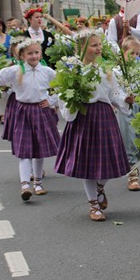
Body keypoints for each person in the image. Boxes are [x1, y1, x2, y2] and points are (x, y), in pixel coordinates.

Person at [55, 30, 131, 221]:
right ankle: (93, 205)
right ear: (81, 48)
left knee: (108, 161)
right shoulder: (72, 70)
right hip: (84, 116)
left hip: (104, 116)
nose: (98, 49)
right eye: (94, 45)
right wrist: (71, 108)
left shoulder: (106, 70)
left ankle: (99, 187)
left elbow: (114, 93)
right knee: (88, 164)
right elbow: (63, 95)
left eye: (99, 45)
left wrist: (125, 99)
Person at [0, 39, 59, 200]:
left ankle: (38, 182)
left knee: (39, 150)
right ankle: (25, 185)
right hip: (23, 112)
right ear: (21, 55)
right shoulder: (15, 71)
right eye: (30, 53)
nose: (34, 56)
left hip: (41, 111)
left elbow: (63, 87)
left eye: (36, 52)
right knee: (25, 151)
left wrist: (51, 100)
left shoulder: (47, 71)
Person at [115, 36, 140, 192]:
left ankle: (134, 164)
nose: (134, 57)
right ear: (123, 52)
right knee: (130, 139)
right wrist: (123, 98)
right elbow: (115, 90)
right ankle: (132, 173)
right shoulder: (117, 71)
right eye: (131, 53)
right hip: (126, 108)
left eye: (137, 54)